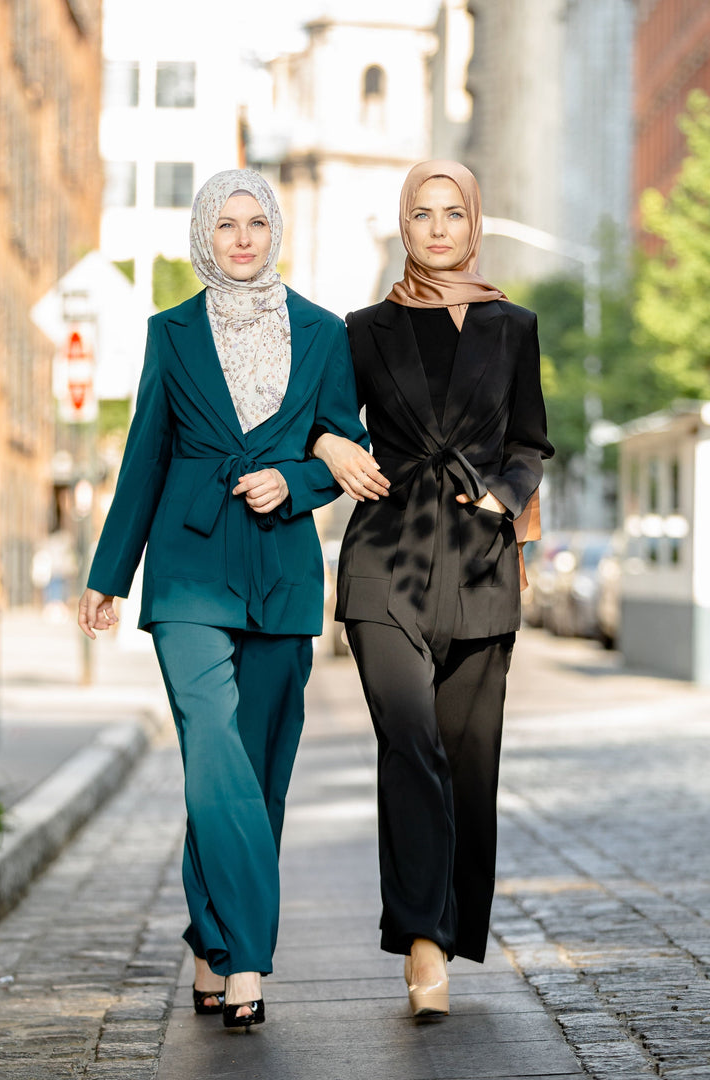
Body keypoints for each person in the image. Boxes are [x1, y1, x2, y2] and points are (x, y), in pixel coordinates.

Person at [78, 170, 367, 1029]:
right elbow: (145, 454)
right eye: (226, 225)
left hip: (281, 568)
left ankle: (209, 936)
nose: (242, 239)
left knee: (262, 764)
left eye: (256, 223)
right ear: (204, 235)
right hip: (189, 563)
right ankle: (246, 961)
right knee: (211, 749)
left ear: (274, 230)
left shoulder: (323, 332)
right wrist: (108, 573)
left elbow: (344, 447)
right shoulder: (169, 332)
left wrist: (301, 479)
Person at [312, 160, 554, 1017]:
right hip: (386, 554)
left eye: (454, 213)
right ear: (403, 226)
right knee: (408, 740)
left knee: (467, 761)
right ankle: (421, 943)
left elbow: (531, 442)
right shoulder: (363, 328)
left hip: (482, 559)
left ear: (475, 223)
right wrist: (328, 447)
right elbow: (329, 420)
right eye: (423, 214)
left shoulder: (514, 325)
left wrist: (505, 493)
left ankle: (448, 925)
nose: (440, 228)